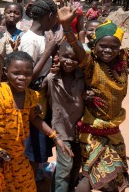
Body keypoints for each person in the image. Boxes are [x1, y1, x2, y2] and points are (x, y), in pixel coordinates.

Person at [59, 6, 129, 191]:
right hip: (92, 130)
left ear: (120, 47)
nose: (108, 50)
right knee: (88, 179)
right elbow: (77, 48)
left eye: (113, 47)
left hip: (113, 130)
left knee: (116, 180)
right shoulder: (90, 61)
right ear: (95, 46)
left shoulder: (125, 57)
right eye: (103, 46)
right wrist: (67, 27)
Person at [0, 51, 72, 191]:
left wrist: (55, 137)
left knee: (27, 186)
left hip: (17, 155)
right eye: (16, 73)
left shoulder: (31, 96)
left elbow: (34, 119)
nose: (22, 78)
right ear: (6, 72)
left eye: (27, 74)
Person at [18, 0, 59, 176]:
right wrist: (49, 51)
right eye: (55, 16)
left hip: (42, 100)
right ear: (50, 16)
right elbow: (26, 76)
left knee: (38, 149)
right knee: (32, 149)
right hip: (32, 103)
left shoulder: (44, 37)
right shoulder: (30, 40)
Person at [43, 42, 84, 192]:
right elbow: (41, 95)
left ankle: (66, 188)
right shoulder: (51, 78)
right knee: (65, 166)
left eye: (74, 58)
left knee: (76, 164)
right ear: (58, 56)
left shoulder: (83, 76)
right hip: (60, 130)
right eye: (65, 56)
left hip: (80, 129)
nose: (69, 61)